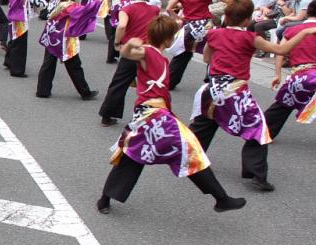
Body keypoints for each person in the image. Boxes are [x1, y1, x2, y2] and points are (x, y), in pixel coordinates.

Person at [96, 16, 247, 214]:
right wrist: (128, 44)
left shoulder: (161, 58)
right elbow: (128, 52)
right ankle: (222, 198)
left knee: (134, 155)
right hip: (152, 114)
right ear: (168, 40)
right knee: (189, 149)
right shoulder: (148, 52)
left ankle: (105, 199)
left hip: (153, 115)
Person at [188, 0, 316, 192]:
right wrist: (306, 32)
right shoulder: (250, 38)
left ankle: (189, 159)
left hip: (212, 88)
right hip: (235, 91)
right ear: (248, 19)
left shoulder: (215, 34)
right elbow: (281, 49)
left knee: (204, 125)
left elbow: (206, 57)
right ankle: (256, 175)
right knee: (258, 129)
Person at [99, 0, 159, 126]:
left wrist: (117, 43)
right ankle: (150, 117)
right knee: (151, 85)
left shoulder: (126, 9)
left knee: (119, 83)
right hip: (148, 51)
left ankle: (107, 115)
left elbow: (122, 26)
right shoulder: (154, 9)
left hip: (130, 50)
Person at [166, 0, 234, 89]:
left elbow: (169, 8)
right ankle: (211, 80)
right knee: (215, 53)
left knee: (182, 55)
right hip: (206, 26)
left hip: (189, 27)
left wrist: (179, 18)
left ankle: (170, 81)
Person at [36, 0, 99, 100]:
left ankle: (42, 90)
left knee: (48, 63)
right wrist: (99, 1)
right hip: (63, 39)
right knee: (74, 65)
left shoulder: (53, 1)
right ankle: (85, 92)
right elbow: (84, 11)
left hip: (50, 34)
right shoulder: (67, 5)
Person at [264, 0, 316, 143]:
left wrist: (278, 74)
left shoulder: (292, 30)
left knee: (282, 106)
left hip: (299, 76)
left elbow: (280, 52)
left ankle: (264, 133)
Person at [4, 0, 31, 77]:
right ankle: (17, 70)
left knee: (14, 41)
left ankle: (9, 61)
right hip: (18, 18)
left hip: (16, 17)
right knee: (19, 44)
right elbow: (22, 1)